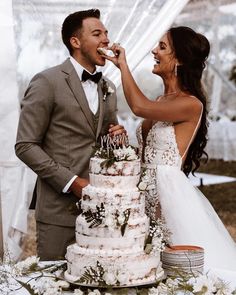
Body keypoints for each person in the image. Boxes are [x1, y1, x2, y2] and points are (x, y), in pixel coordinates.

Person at [103, 26, 236, 271]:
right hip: (141, 196)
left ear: (180, 60)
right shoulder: (161, 102)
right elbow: (147, 154)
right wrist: (124, 145)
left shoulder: (190, 104)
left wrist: (123, 65)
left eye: (162, 47)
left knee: (177, 269)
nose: (154, 51)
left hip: (169, 198)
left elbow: (138, 107)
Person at [15, 9, 126, 261]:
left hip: (101, 212)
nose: (106, 40)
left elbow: (104, 144)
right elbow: (25, 145)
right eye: (97, 33)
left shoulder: (108, 87)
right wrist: (72, 182)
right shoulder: (47, 81)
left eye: (106, 33)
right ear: (75, 42)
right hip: (58, 213)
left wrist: (117, 140)